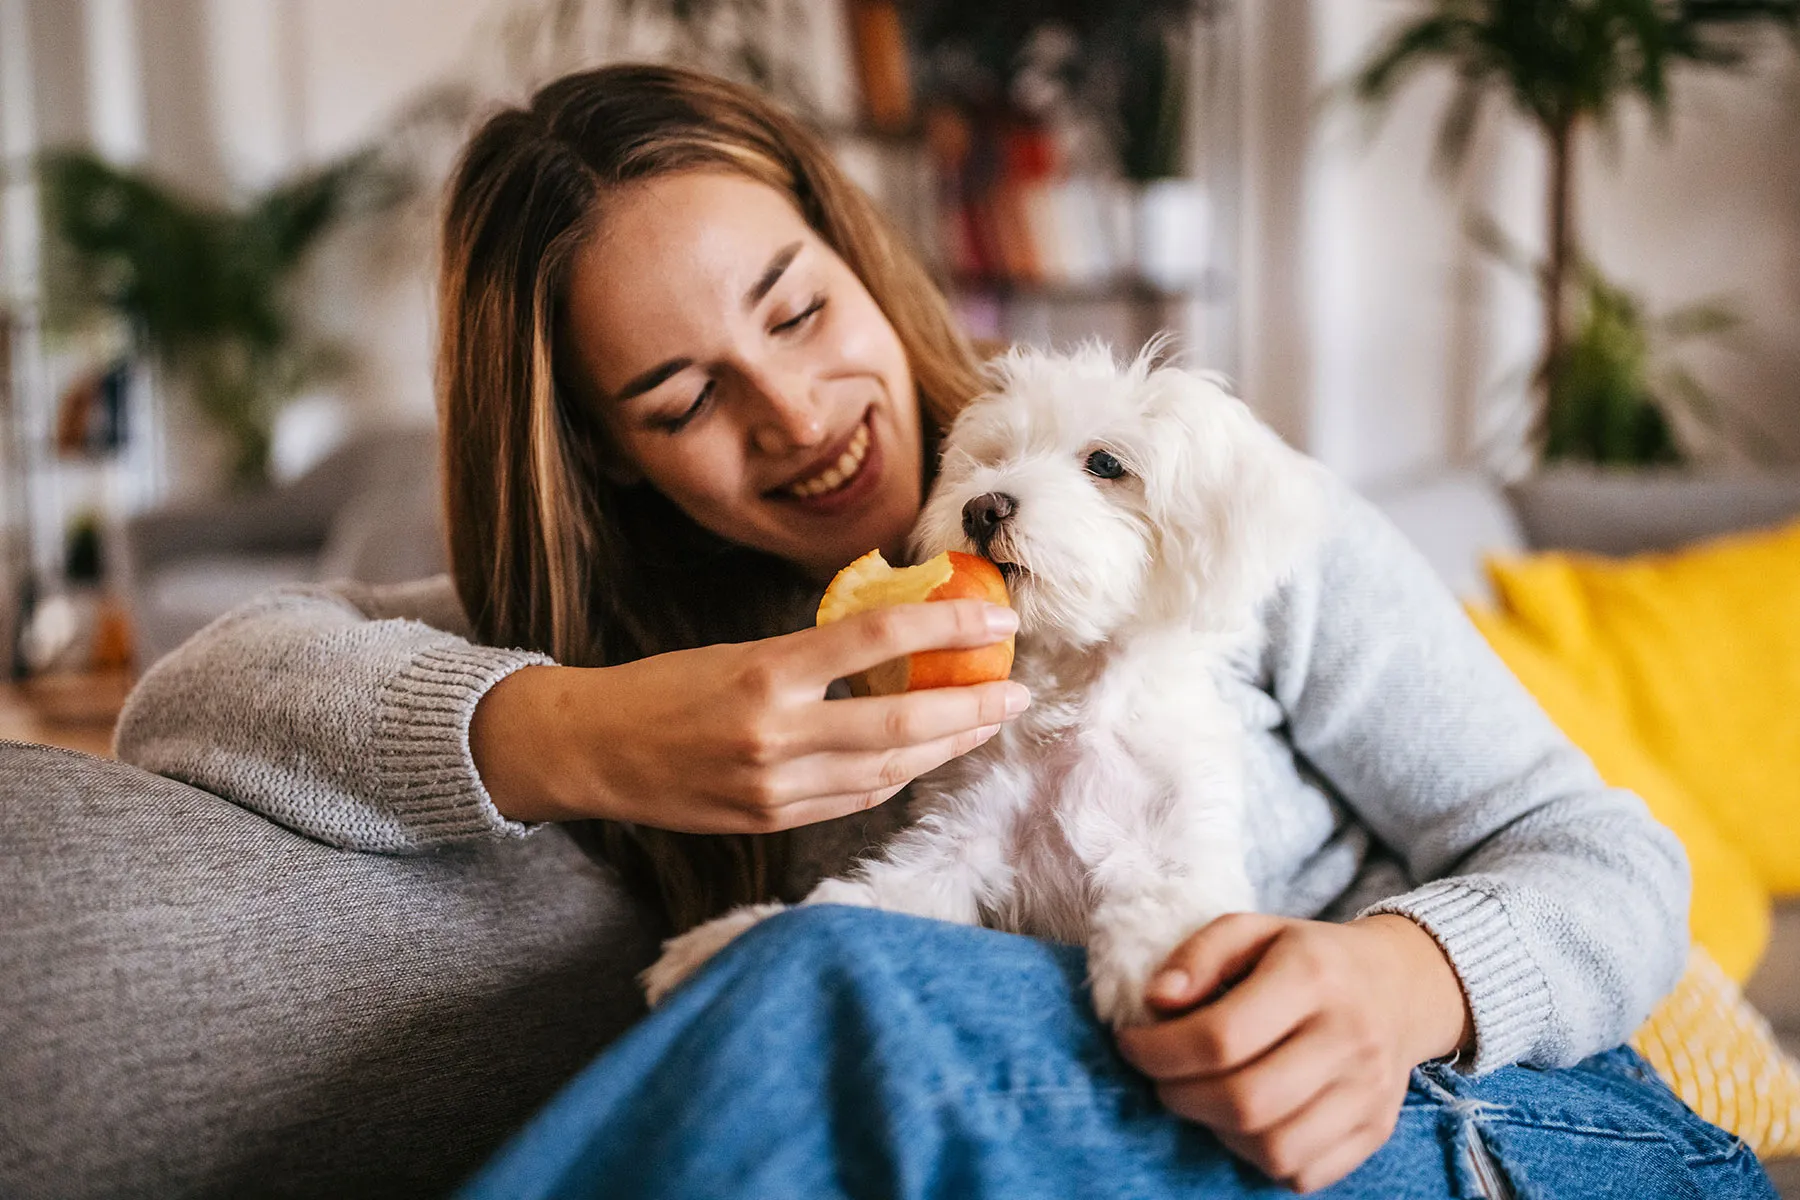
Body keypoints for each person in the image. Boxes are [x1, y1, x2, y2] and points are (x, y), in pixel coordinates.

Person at [114, 64, 1775, 1198]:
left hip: (1498, 1129)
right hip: (1086, 1134)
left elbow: (1612, 866)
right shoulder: (657, 641)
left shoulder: (1200, 514)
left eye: (798, 308)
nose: (796, 416)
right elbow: (192, 694)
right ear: (604, 460)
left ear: (862, 253)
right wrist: (587, 729)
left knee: (838, 985)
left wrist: (1403, 980)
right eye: (684, 397)